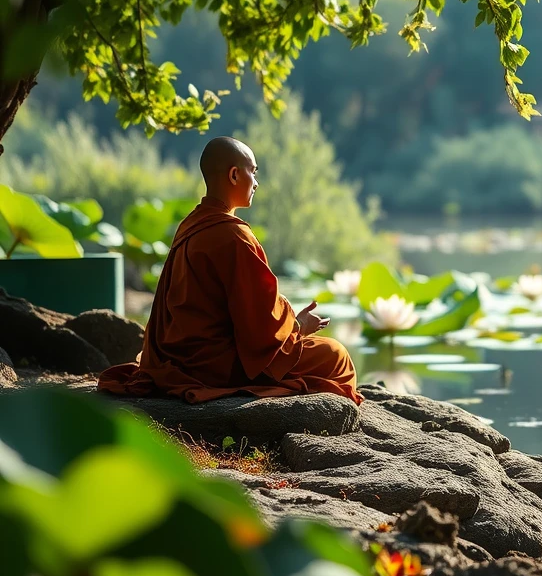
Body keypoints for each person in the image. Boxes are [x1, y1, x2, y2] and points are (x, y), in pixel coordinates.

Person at [98, 136, 362, 404]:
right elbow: (258, 331)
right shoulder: (234, 236)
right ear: (235, 175)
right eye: (253, 172)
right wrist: (298, 326)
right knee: (335, 355)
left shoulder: (191, 225)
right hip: (220, 367)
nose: (257, 183)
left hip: (180, 360)